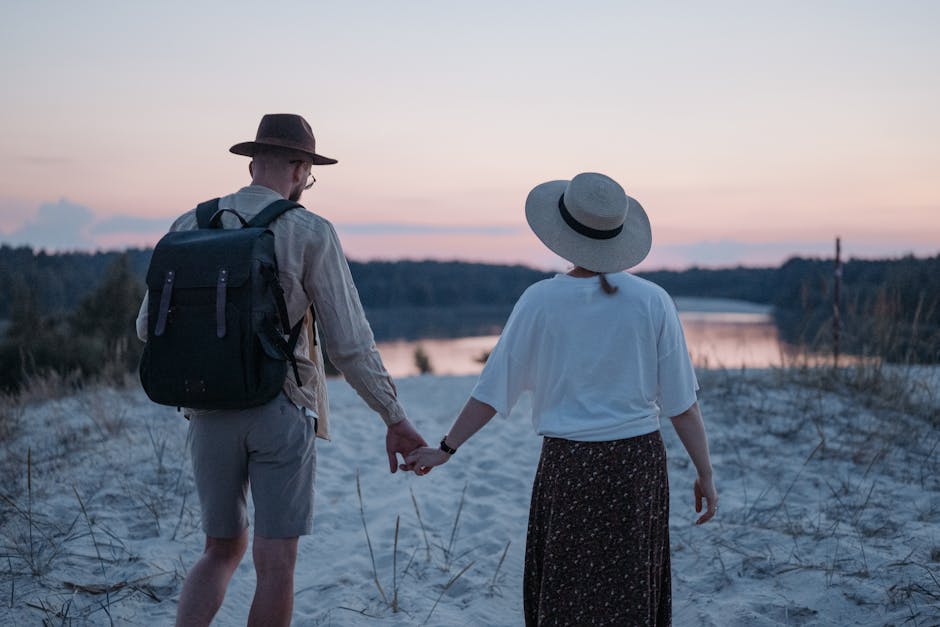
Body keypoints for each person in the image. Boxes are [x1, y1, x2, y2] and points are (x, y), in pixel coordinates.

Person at [135, 113, 428, 627]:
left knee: (219, 550)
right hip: (281, 406)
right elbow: (350, 345)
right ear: (298, 169)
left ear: (252, 163)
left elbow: (145, 329)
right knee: (275, 565)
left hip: (206, 409)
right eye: (308, 175)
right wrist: (394, 418)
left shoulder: (187, 225)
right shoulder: (310, 230)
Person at [406, 172, 718, 626]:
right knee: (631, 589)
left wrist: (446, 449)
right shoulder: (653, 301)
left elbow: (492, 391)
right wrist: (705, 473)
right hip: (637, 465)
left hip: (568, 466)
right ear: (619, 237)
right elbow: (682, 405)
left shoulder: (539, 301)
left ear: (563, 235)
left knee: (566, 592)